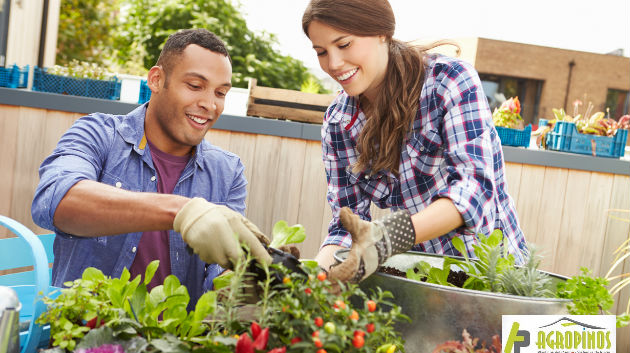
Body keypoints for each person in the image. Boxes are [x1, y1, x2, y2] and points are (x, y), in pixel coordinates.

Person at [31, 29, 273, 306]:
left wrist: (247, 277)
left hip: (176, 345)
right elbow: (54, 202)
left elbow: (217, 277)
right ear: (156, 80)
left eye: (220, 92)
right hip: (85, 340)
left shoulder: (227, 172)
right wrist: (181, 212)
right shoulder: (98, 134)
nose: (209, 104)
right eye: (195, 86)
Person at [301, 0, 528, 283]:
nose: (333, 64)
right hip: (420, 282)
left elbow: (474, 190)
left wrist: (390, 236)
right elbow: (345, 228)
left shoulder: (449, 82)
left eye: (344, 45)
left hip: (492, 277)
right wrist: (310, 276)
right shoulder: (338, 123)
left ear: (382, 32)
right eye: (321, 52)